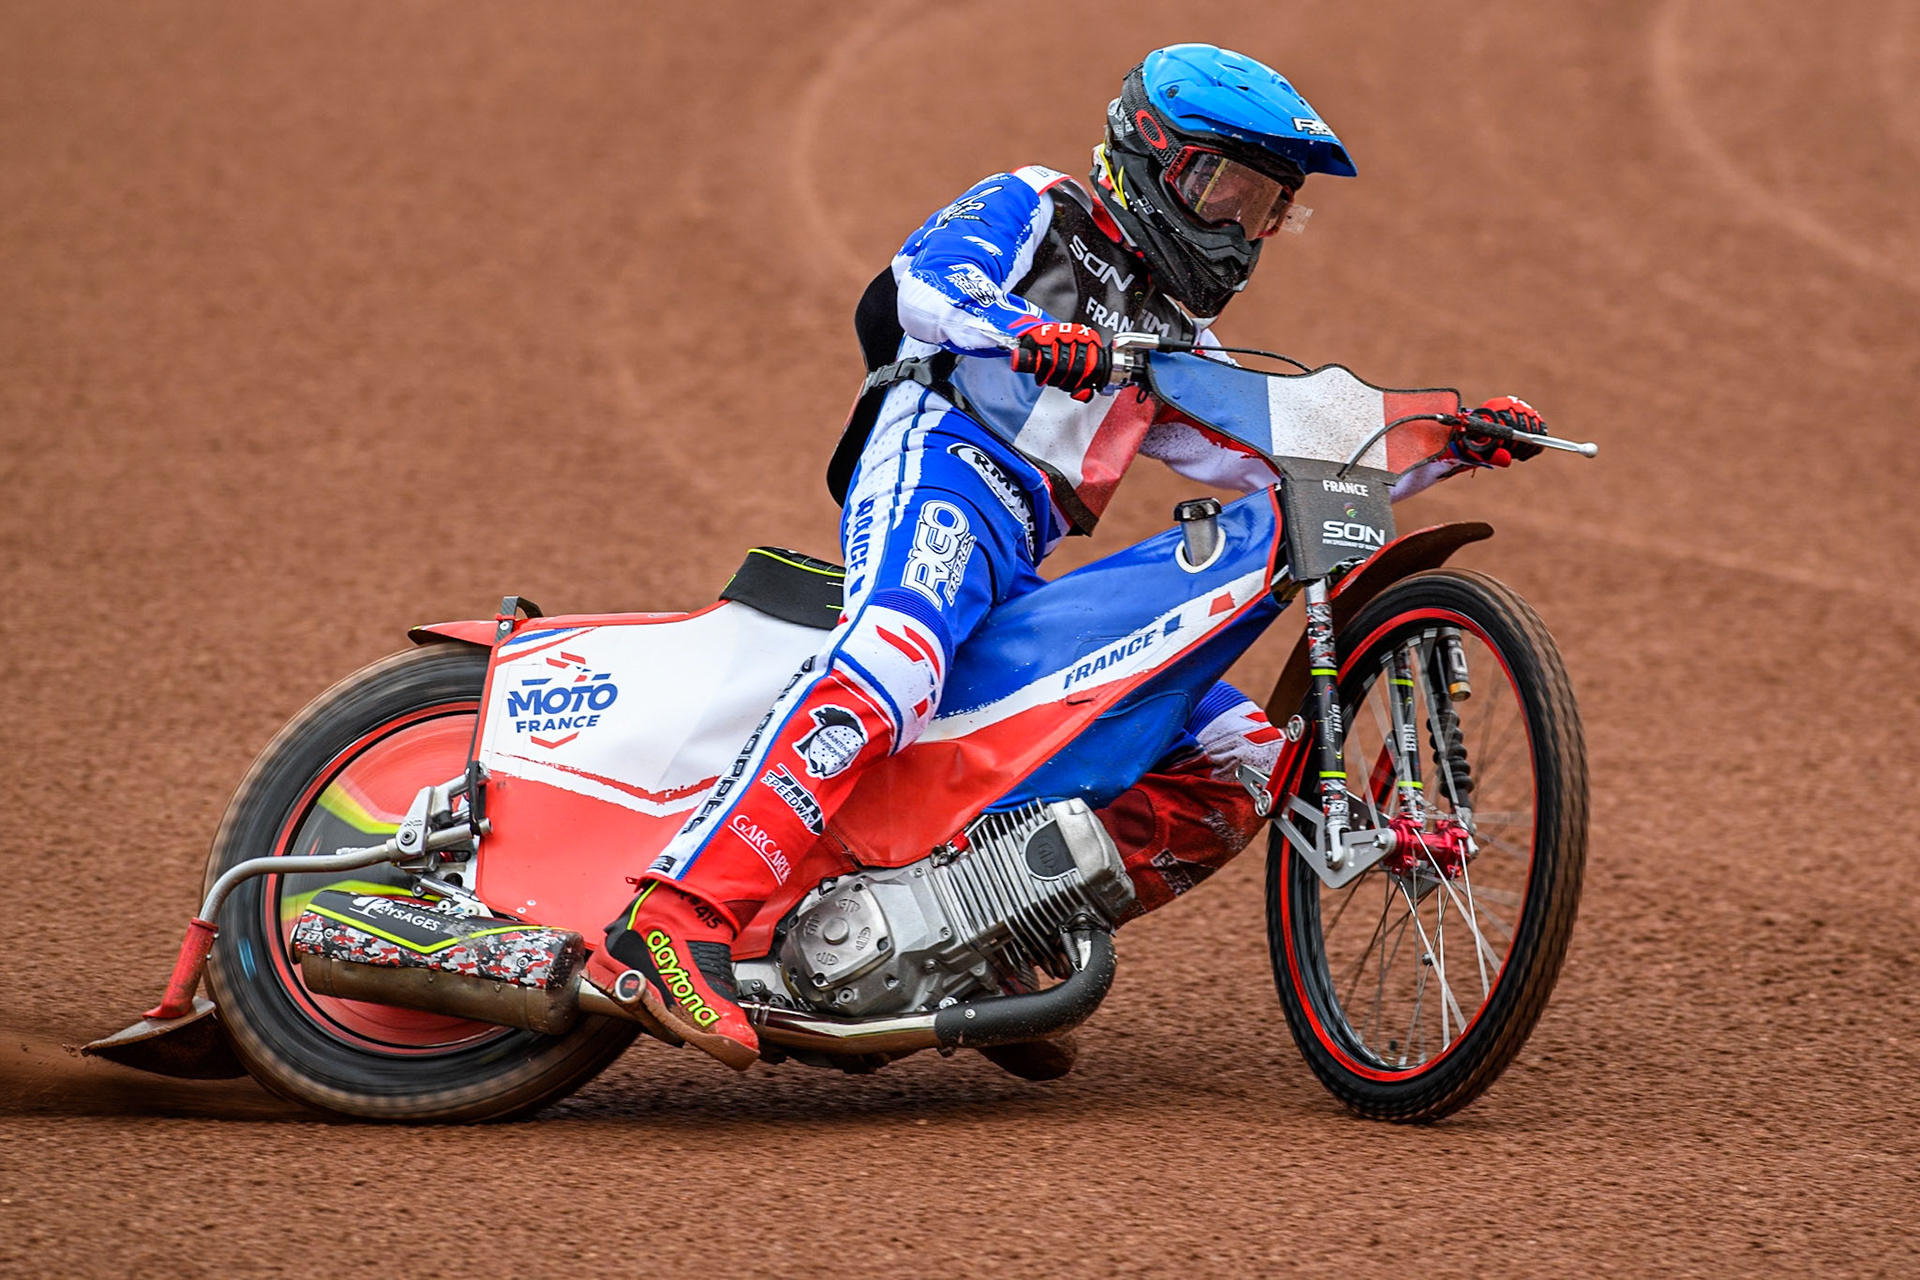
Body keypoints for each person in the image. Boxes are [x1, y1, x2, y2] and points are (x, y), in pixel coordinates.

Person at [586, 44, 1547, 1071]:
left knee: (1244, 761)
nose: (1239, 228)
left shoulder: (1173, 340)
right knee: (898, 659)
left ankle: (977, 933)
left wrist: (1447, 434)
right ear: (1152, 157)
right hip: (942, 467)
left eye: (1265, 206)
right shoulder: (1037, 205)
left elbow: (1291, 434)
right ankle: (673, 914)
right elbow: (924, 284)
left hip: (1022, 550)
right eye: (1225, 187)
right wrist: (1027, 331)